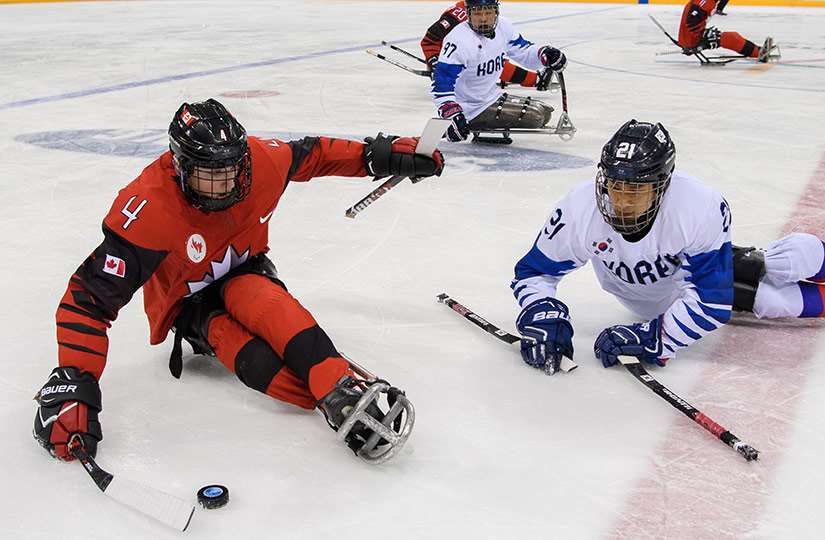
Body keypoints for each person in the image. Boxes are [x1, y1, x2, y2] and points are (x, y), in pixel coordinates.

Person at [32, 98, 443, 463]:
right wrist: (74, 381)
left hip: (246, 272)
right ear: (180, 167)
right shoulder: (148, 209)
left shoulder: (259, 161)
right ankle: (327, 393)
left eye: (232, 168)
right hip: (187, 304)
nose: (227, 182)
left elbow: (312, 155)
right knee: (255, 359)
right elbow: (87, 301)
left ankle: (338, 392)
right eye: (211, 173)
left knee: (267, 306)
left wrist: (377, 156)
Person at [509, 120, 825, 375]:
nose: (621, 200)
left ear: (663, 185)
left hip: (689, 274)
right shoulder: (578, 209)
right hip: (649, 300)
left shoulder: (697, 205)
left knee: (784, 264)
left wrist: (657, 341)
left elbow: (711, 302)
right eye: (615, 186)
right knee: (770, 301)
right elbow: (535, 272)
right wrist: (543, 312)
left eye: (637, 189)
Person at [430, 0, 568, 142]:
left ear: (496, 12)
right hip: (470, 109)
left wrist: (543, 54)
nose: (483, 18)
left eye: (488, 12)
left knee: (545, 111)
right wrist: (452, 113)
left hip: (492, 96)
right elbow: (441, 84)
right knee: (537, 116)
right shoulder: (458, 40)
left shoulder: (503, 26)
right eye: (477, 13)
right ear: (468, 14)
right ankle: (471, 120)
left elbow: (525, 52)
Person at [421, 1, 554, 91]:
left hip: (466, 55)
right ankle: (534, 79)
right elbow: (430, 41)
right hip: (453, 58)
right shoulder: (457, 15)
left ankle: (534, 79)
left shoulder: (487, 16)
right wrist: (435, 63)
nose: (484, 17)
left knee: (491, 60)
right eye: (478, 13)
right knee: (489, 63)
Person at [678, 0, 777, 62]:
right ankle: (759, 53)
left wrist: (719, 8)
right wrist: (700, 42)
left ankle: (758, 50)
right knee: (731, 38)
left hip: (691, 35)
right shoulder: (706, 2)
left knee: (731, 37)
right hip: (691, 38)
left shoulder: (709, 2)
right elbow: (691, 21)